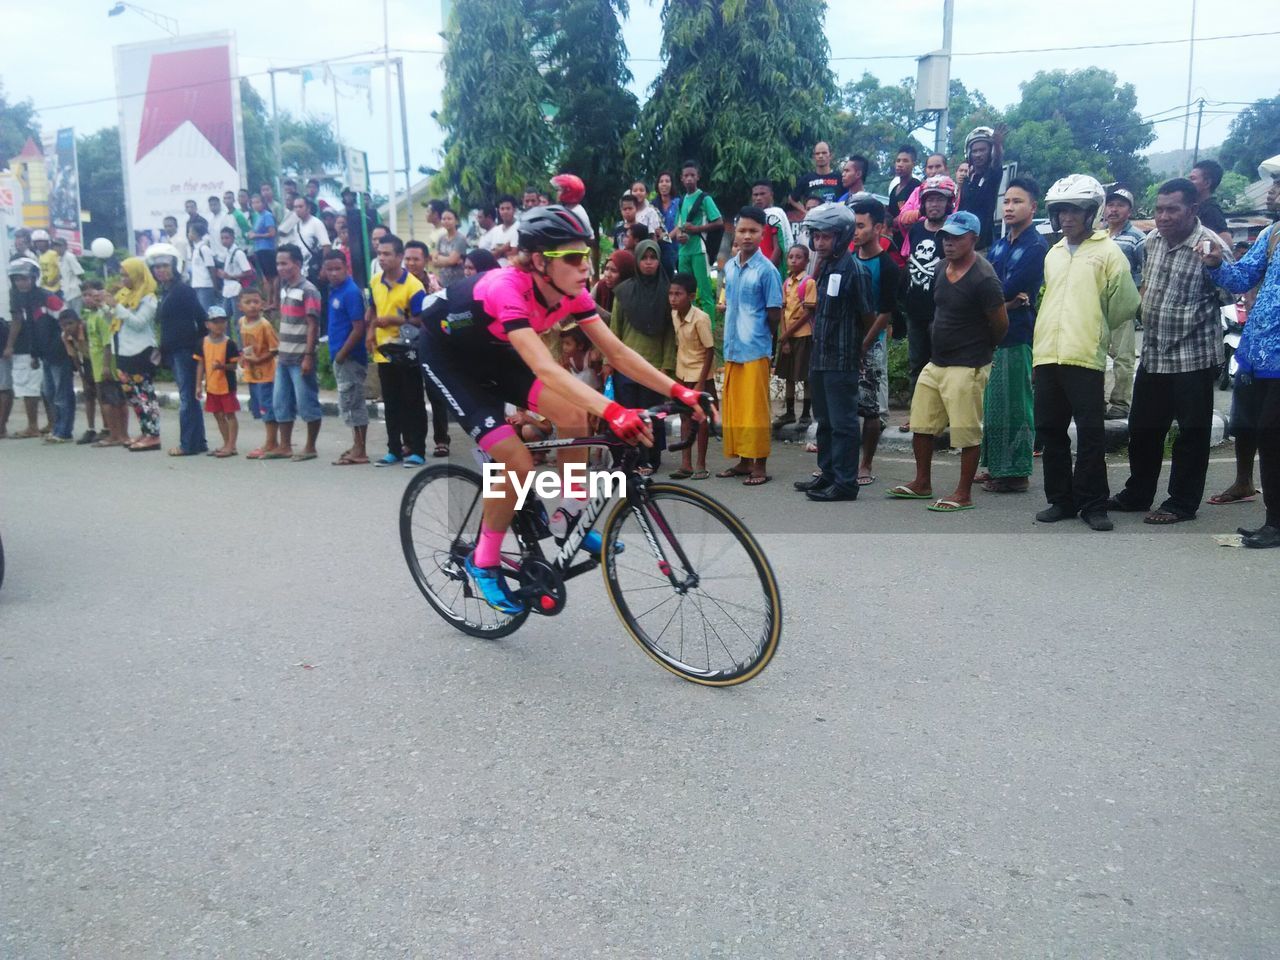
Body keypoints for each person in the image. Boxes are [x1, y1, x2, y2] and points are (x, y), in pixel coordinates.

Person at [415, 204, 708, 614]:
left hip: (496, 351)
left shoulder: (572, 293)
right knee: (515, 461)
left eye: (586, 254)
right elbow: (544, 368)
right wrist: (614, 411)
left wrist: (681, 390)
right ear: (538, 261)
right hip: (448, 356)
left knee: (573, 416)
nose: (584, 266)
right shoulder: (506, 289)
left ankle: (568, 516)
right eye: (572, 259)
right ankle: (483, 560)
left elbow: (618, 353)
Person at [1107, 178, 1233, 525]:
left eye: (1172, 209)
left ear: (1192, 210)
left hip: (1193, 356)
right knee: (1144, 429)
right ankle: (1138, 494)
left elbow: (1231, 294)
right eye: (1159, 209)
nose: (1163, 216)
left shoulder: (1212, 245)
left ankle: (1181, 503)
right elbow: (1148, 285)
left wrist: (1215, 267)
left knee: (1191, 434)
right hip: (1154, 353)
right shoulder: (1152, 241)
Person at [1033, 175, 1141, 531]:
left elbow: (1124, 303)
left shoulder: (1108, 251)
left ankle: (1094, 504)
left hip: (1084, 356)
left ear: (1091, 212)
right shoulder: (1054, 253)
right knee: (1051, 431)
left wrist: (1094, 327)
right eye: (1061, 210)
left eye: (1075, 211)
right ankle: (1061, 500)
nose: (1066, 218)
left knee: (1091, 434)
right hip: (1048, 355)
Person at [887, 211, 1007, 511]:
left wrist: (985, 349)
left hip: (968, 364)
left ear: (973, 239)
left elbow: (1001, 324)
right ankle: (922, 483)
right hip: (936, 361)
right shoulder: (940, 268)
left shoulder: (984, 277)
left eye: (956, 238)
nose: (949, 243)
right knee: (922, 425)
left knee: (966, 430)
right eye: (945, 237)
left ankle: (963, 493)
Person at [1201, 212, 1280, 547]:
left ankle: (1275, 523)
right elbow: (1241, 278)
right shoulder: (1273, 234)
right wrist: (1217, 264)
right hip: (1258, 354)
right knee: (1258, 432)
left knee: (1272, 434)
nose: (1273, 192)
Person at [791, 203, 874, 502]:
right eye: (816, 237)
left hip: (842, 360)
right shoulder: (824, 266)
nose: (819, 243)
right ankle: (827, 474)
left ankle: (845, 483)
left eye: (826, 237)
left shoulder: (855, 270)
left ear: (842, 236)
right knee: (824, 421)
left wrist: (858, 349)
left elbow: (868, 316)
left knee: (843, 424)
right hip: (821, 357)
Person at [978, 177, 1048, 493]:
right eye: (1006, 201)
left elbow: (1001, 287)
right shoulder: (999, 244)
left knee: (1016, 404)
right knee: (994, 402)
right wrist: (1004, 300)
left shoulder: (1036, 246)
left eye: (1017, 201)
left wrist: (1001, 299)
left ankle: (1016, 472)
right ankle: (995, 466)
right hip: (993, 332)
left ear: (1033, 207)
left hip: (1018, 332)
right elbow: (987, 285)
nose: (1009, 207)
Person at [717, 207, 783, 487]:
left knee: (755, 410)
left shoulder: (767, 270)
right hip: (733, 350)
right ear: (736, 231)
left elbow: (774, 314)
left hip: (755, 349)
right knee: (736, 409)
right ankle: (743, 461)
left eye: (753, 231)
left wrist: (767, 344)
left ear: (762, 233)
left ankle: (760, 466)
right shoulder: (731, 267)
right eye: (742, 230)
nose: (747, 236)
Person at [608, 239, 677, 476]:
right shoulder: (624, 291)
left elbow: (670, 334)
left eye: (653, 258)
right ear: (637, 260)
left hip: (653, 366)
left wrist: (667, 366)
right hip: (625, 365)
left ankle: (651, 459)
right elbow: (614, 330)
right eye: (644, 258)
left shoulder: (666, 293)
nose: (649, 263)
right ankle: (630, 459)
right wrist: (609, 362)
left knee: (651, 413)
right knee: (628, 413)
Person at [851, 197, 901, 486]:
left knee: (871, 409)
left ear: (879, 227)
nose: (855, 232)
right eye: (853, 226)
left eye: (861, 226)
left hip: (873, 344)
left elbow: (886, 313)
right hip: (849, 341)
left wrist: (865, 344)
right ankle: (843, 461)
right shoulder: (849, 260)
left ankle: (865, 464)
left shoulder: (887, 266)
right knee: (845, 407)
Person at [367, 233, 428, 467]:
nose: (381, 258)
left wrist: (395, 320)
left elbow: (421, 319)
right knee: (391, 402)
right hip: (384, 351)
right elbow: (372, 309)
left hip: (408, 352)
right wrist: (370, 331)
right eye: (379, 254)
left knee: (413, 401)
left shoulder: (414, 286)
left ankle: (418, 450)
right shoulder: (375, 281)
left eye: (386, 254)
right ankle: (393, 449)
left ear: (399, 256)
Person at [902, 175, 957, 422]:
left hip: (942, 310)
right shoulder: (915, 229)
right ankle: (917, 415)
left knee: (942, 363)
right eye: (930, 200)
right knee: (917, 364)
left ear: (949, 203)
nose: (934, 204)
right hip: (915, 309)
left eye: (939, 200)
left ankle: (942, 417)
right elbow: (907, 260)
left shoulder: (953, 231)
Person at [149, 243, 208, 456]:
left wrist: (198, 348)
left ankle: (188, 444)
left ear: (176, 266)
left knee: (187, 398)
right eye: (156, 267)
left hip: (184, 351)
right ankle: (198, 442)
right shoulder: (166, 292)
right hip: (174, 351)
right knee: (189, 397)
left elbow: (202, 319)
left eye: (165, 265)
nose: (160, 270)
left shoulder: (183, 290)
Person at [272, 244, 324, 461]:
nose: (280, 267)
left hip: (301, 355)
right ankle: (285, 446)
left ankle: (310, 447)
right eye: (278, 263)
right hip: (283, 355)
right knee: (280, 402)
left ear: (298, 264)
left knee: (306, 402)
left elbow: (313, 325)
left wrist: (309, 356)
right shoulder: (285, 288)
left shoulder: (308, 290)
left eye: (284, 263)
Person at [106, 257, 162, 452]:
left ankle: (153, 435)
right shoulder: (123, 294)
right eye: (121, 275)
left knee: (146, 395)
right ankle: (145, 431)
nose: (123, 279)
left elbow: (138, 323)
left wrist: (116, 306)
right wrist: (106, 303)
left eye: (126, 275)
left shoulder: (148, 297)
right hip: (123, 350)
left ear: (137, 275)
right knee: (133, 396)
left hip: (141, 351)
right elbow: (113, 319)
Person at [4, 257, 62, 438]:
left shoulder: (43, 295)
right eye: (17, 279)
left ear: (34, 277)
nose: (20, 282)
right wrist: (11, 345)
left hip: (40, 345)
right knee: (33, 387)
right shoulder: (16, 295)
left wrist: (9, 346)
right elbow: (16, 320)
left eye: (24, 278)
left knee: (41, 387)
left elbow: (60, 317)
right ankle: (40, 424)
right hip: (29, 344)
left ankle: (43, 424)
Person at [322, 250, 370, 466]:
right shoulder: (335, 291)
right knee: (348, 401)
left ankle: (360, 449)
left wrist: (342, 354)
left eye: (337, 269)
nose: (333, 273)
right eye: (329, 269)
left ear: (346, 268)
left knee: (353, 402)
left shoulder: (351, 292)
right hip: (340, 355)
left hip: (349, 357)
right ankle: (356, 444)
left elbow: (358, 328)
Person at [1103, 186, 1146, 419]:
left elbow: (1146, 271)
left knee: (1123, 356)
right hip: (1098, 306)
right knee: (1096, 354)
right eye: (1110, 204)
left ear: (1129, 210)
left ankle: (1120, 403)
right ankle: (1096, 401)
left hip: (1123, 304)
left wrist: (1139, 302)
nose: (1113, 209)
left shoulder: (1138, 237)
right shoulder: (1099, 234)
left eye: (1120, 205)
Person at [667, 272, 715, 480]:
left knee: (701, 420)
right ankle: (685, 463)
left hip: (699, 374)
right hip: (682, 372)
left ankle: (701, 464)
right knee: (684, 417)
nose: (673, 298)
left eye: (678, 294)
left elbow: (710, 350)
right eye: (671, 294)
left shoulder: (701, 319)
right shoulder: (673, 315)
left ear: (692, 296)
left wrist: (701, 381)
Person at [82, 280, 130, 447]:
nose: (89, 299)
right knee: (108, 400)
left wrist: (105, 366)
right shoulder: (92, 315)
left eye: (94, 296)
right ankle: (116, 434)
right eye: (86, 295)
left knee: (113, 401)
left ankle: (118, 435)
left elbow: (108, 342)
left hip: (106, 365)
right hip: (97, 365)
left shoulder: (103, 317)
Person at [674, 160, 723, 322]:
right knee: (686, 292)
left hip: (700, 250)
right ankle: (688, 326)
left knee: (705, 292)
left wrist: (696, 230)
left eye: (692, 175)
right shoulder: (681, 201)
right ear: (681, 178)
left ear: (698, 177)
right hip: (684, 251)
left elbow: (718, 222)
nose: (689, 179)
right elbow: (679, 226)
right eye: (686, 176)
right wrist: (679, 236)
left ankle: (709, 331)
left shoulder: (704, 199)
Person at [774, 244, 814, 428]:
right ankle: (790, 412)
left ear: (806, 261)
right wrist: (784, 335)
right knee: (788, 375)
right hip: (788, 337)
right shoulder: (786, 283)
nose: (794, 260)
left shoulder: (809, 282)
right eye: (791, 257)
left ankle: (806, 413)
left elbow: (808, 313)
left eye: (798, 257)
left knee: (805, 376)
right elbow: (782, 310)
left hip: (803, 334)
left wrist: (787, 333)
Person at [238, 289, 281, 459]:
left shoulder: (264, 325)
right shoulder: (242, 322)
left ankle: (271, 442)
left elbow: (274, 349)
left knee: (267, 407)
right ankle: (270, 441)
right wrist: (243, 357)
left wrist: (258, 360)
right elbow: (246, 345)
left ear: (262, 304)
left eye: (256, 302)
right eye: (248, 302)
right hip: (252, 374)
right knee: (259, 408)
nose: (252, 306)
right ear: (240, 306)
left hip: (266, 374)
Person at [193, 306, 240, 457]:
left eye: (222, 321)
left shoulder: (229, 344)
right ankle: (226, 443)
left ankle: (231, 445)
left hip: (226, 385)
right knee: (218, 415)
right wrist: (198, 385)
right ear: (207, 324)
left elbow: (234, 365)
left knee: (230, 415)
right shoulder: (203, 343)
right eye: (215, 322)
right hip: (211, 385)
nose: (219, 325)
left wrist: (222, 366)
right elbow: (200, 363)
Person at [956, 125, 1005, 249]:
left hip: (983, 244)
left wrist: (997, 145)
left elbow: (997, 162)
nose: (978, 154)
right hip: (961, 241)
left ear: (991, 151)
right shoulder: (967, 179)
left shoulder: (992, 176)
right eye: (975, 151)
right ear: (969, 153)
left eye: (983, 150)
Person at [894, 152, 949, 253]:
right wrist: (922, 212)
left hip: (945, 247)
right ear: (926, 170)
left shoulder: (953, 191)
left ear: (946, 169)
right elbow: (903, 218)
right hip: (915, 245)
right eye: (930, 167)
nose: (934, 171)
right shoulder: (918, 191)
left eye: (938, 166)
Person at [37, 309, 78, 443]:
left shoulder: (51, 303)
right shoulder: (36, 310)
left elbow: (73, 353)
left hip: (60, 358)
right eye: (63, 325)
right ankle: (56, 427)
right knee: (49, 393)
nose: (66, 327)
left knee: (62, 395)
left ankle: (64, 431)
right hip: (46, 356)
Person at [280, 196, 330, 282]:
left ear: (308, 208)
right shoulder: (296, 224)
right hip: (301, 270)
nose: (298, 209)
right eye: (295, 207)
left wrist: (324, 268)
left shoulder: (316, 223)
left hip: (314, 268)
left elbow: (326, 246)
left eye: (300, 206)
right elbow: (282, 232)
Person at [750, 181, 794, 269]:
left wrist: (768, 269)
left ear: (771, 195)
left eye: (762, 194)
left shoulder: (774, 216)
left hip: (770, 268)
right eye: (755, 195)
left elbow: (778, 248)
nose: (758, 198)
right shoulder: (751, 218)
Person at [789, 141, 841, 216]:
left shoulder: (839, 177)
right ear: (814, 157)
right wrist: (805, 212)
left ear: (830, 155)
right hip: (814, 223)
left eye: (824, 153)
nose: (820, 156)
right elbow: (792, 198)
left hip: (835, 221)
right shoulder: (806, 179)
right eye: (817, 153)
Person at [214, 227, 253, 326]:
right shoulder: (227, 253)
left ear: (233, 238)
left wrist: (230, 276)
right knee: (224, 319)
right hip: (227, 290)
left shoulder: (238, 253)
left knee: (238, 321)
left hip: (236, 289)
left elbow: (248, 271)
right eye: (222, 238)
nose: (224, 241)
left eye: (227, 238)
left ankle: (241, 341)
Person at [886, 145, 922, 253]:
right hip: (893, 241)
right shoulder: (894, 189)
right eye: (898, 161)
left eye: (905, 161)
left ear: (913, 164)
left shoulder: (916, 187)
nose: (900, 164)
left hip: (910, 240)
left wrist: (898, 221)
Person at [1188, 159, 1232, 246]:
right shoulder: (1195, 206)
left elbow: (1227, 242)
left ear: (1207, 183)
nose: (1189, 182)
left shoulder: (1211, 210)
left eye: (1193, 179)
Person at [248, 193, 278, 307]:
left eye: (258, 202)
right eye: (253, 203)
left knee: (273, 276)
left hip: (267, 249)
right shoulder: (257, 216)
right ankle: (268, 300)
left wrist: (256, 236)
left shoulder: (267, 215)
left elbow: (272, 233)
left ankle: (275, 300)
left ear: (263, 203)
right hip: (259, 249)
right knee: (267, 277)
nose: (255, 205)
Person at [590, 249, 636, 320]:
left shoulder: (633, 293)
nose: (607, 275)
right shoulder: (601, 285)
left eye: (614, 271)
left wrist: (593, 306)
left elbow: (617, 321)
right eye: (606, 269)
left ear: (625, 273)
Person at [430, 208, 468, 287]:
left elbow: (452, 260)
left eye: (449, 219)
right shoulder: (441, 238)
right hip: (442, 281)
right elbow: (434, 261)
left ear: (456, 221)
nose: (446, 221)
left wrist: (440, 258)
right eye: (443, 219)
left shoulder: (460, 239)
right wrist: (448, 259)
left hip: (458, 281)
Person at [653, 171, 681, 275]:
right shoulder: (652, 205)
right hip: (660, 251)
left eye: (667, 181)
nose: (664, 184)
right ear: (657, 185)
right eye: (661, 181)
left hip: (678, 249)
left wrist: (668, 237)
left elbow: (681, 223)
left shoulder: (679, 202)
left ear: (672, 184)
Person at [188, 220, 219, 311]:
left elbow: (211, 267)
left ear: (196, 234)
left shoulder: (204, 248)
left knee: (206, 310)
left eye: (190, 232)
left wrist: (215, 286)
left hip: (205, 285)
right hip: (197, 284)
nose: (189, 234)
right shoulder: (196, 249)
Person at [484, 195, 521, 266]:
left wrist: (498, 251)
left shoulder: (518, 227)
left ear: (514, 210)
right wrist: (505, 248)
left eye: (508, 208)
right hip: (496, 270)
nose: (505, 211)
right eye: (502, 209)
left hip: (512, 270)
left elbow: (514, 253)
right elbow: (492, 255)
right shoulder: (496, 230)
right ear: (499, 210)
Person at [52, 237, 84, 312]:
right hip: (66, 293)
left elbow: (80, 273)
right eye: (55, 246)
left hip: (75, 292)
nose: (57, 248)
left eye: (59, 246)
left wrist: (84, 288)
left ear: (65, 246)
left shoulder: (69, 257)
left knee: (76, 315)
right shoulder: (59, 258)